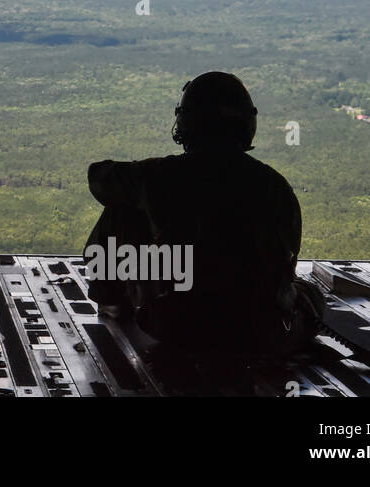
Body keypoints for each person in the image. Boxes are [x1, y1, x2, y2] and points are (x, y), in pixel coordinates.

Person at [84, 71, 322, 357]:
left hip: (175, 325)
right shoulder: (275, 186)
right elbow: (283, 265)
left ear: (185, 123)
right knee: (311, 296)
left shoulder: (157, 177)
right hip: (260, 332)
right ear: (247, 124)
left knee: (120, 208)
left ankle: (110, 301)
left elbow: (100, 179)